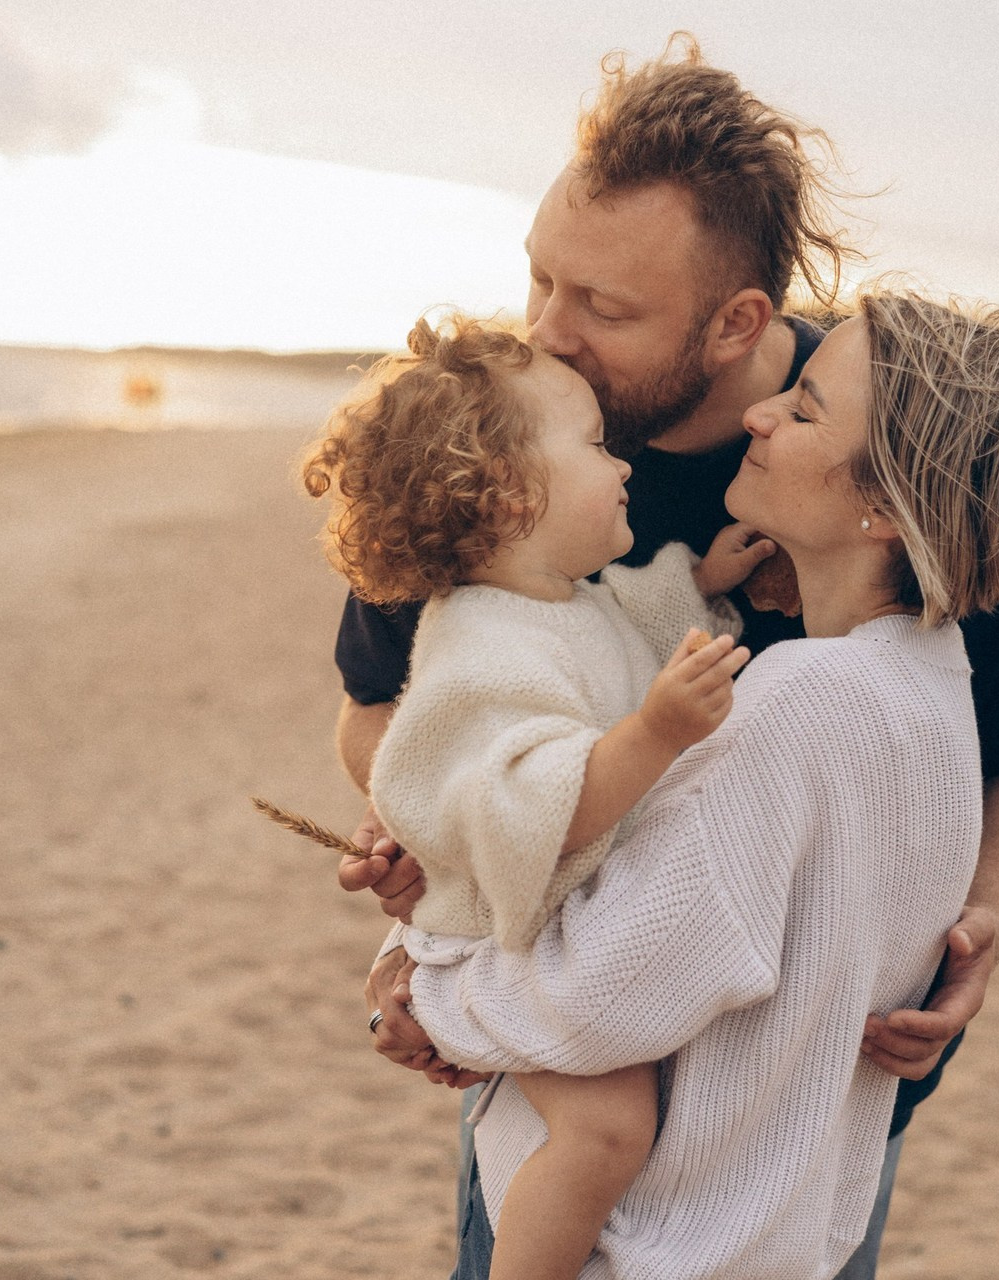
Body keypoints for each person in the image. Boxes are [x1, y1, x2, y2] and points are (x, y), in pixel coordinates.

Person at [337, 38, 999, 1276]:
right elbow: (384, 712)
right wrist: (434, 843)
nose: (547, 332)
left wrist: (979, 933)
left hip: (802, 1109)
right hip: (564, 1079)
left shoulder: (892, 447)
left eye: (604, 308)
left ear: (741, 319)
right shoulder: (494, 441)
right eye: (540, 278)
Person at [302, 313, 760, 1280]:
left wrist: (702, 581)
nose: (623, 465)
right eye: (596, 445)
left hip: (570, 935)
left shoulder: (566, 596)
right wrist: (657, 733)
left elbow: (632, 623)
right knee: (607, 1129)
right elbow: (535, 808)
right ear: (510, 492)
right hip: (499, 943)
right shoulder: (481, 645)